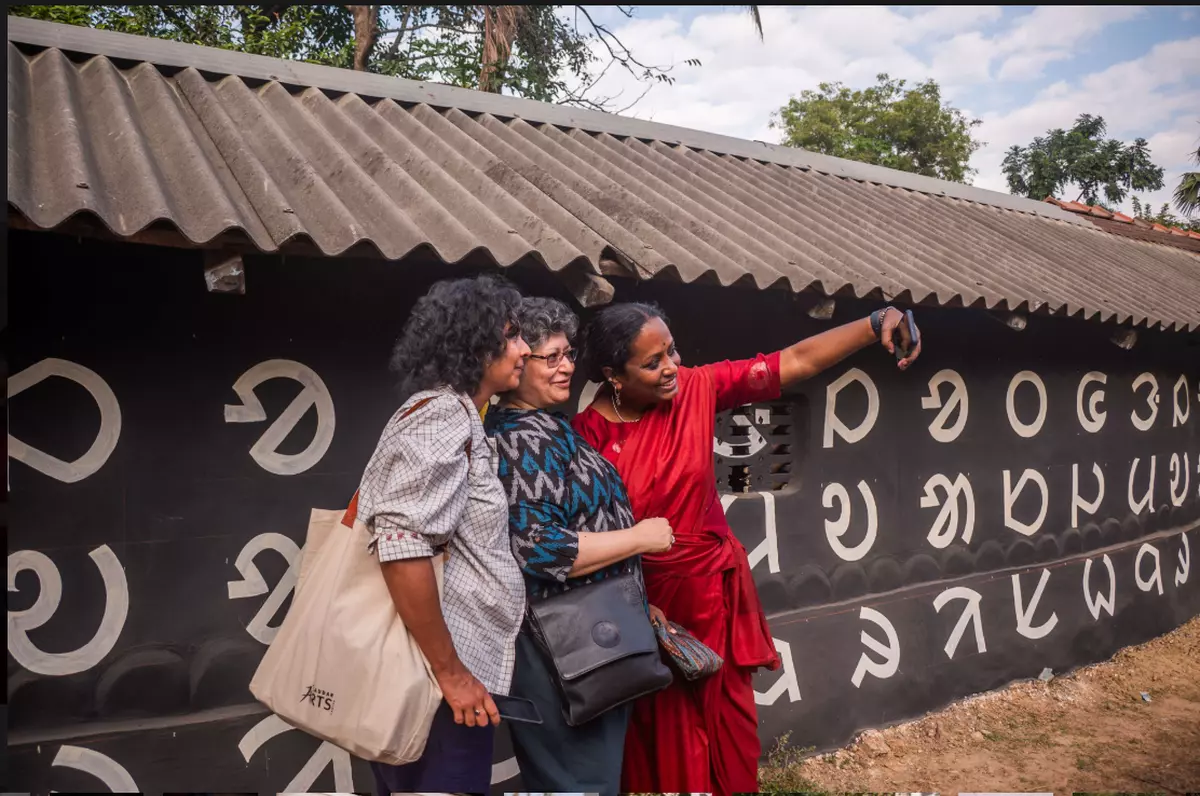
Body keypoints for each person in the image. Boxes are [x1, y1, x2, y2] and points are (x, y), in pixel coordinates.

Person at [572, 302, 923, 796]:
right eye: (652, 363)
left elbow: (796, 360)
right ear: (613, 375)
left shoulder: (696, 388)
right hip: (647, 614)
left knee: (730, 729)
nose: (671, 366)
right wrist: (631, 604)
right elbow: (591, 539)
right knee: (667, 740)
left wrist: (875, 323)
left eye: (671, 351)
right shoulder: (586, 439)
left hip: (714, 596)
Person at [484, 297, 675, 796]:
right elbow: (541, 548)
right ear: (519, 363)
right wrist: (641, 538)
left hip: (589, 638)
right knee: (577, 782)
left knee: (587, 780)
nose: (567, 366)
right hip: (561, 652)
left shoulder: (547, 427)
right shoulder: (523, 439)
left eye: (568, 353)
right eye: (552, 357)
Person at [353, 274, 530, 795]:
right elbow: (402, 547)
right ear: (477, 344)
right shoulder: (444, 416)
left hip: (431, 676)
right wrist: (452, 673)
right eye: (513, 334)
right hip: (433, 685)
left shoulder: (451, 414)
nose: (524, 349)